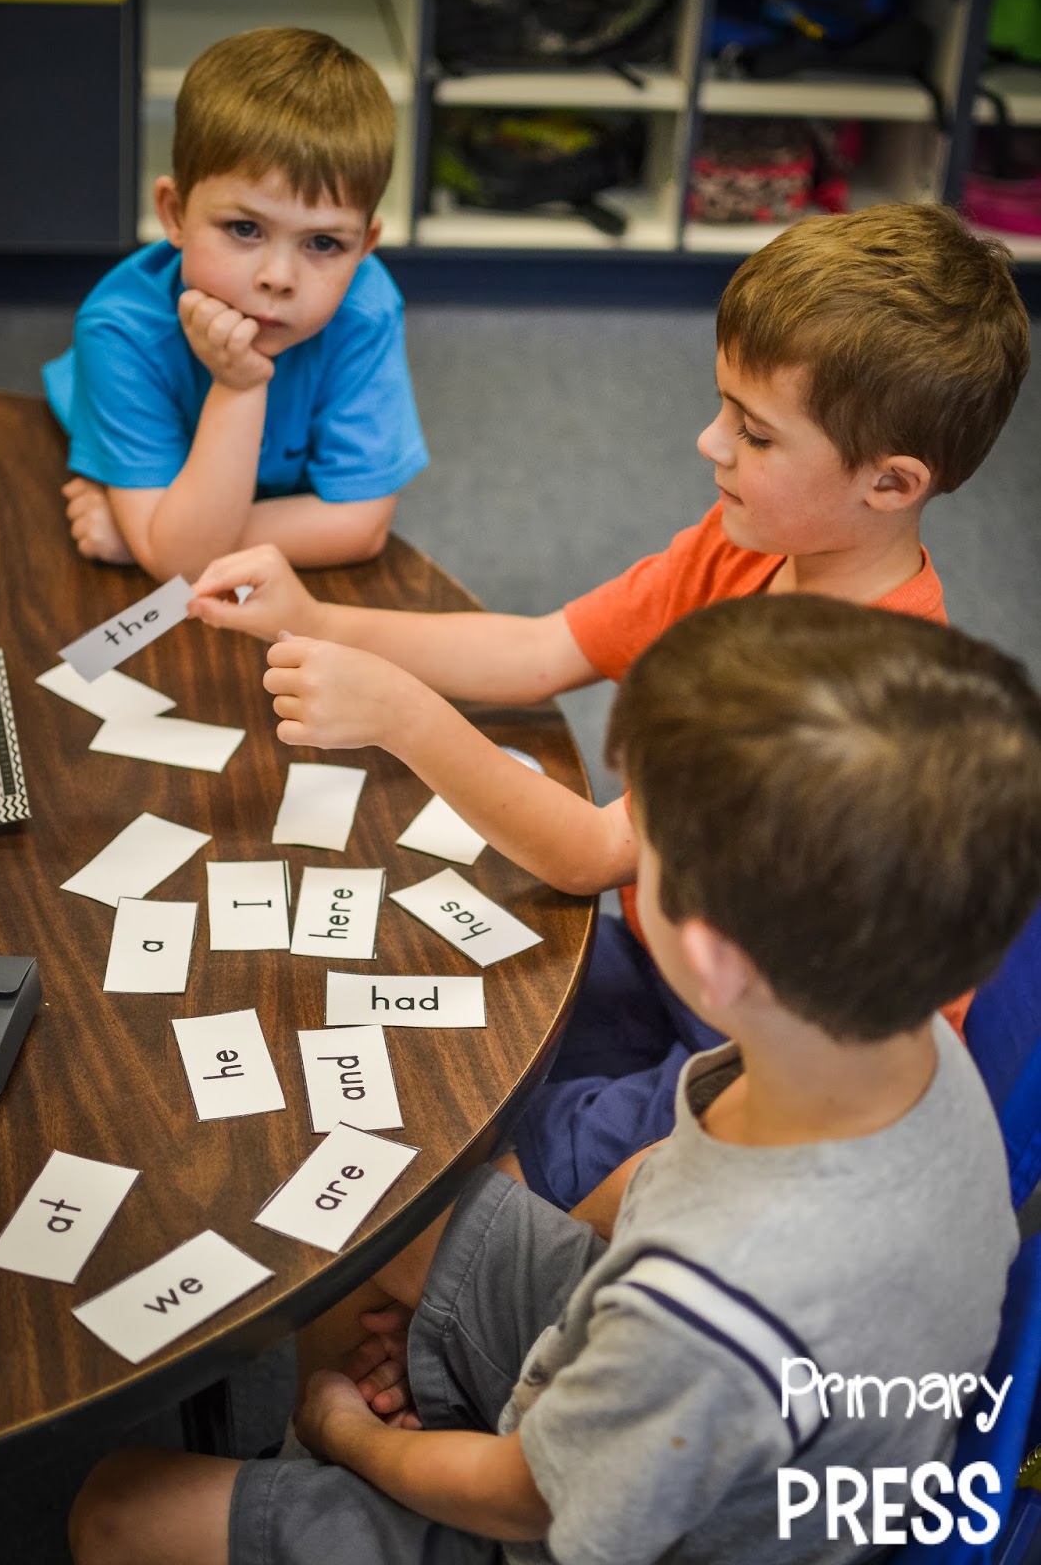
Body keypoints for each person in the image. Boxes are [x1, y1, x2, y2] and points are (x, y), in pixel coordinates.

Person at [68, 595, 1041, 1565]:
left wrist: (342, 1432)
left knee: (114, 1506)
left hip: (581, 1507)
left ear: (710, 956)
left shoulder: (702, 1318)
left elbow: (524, 1499)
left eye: (641, 840)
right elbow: (663, 1174)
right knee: (371, 1208)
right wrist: (495, 1311)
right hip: (680, 1391)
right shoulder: (884, 1031)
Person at [187, 201, 1030, 1209]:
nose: (709, 442)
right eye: (724, 406)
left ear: (890, 483)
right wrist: (320, 616)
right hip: (667, 958)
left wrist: (401, 714)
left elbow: (588, 852)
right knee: (411, 1059)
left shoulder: (850, 700)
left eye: (755, 433)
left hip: (769, 1066)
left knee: (444, 1175)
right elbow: (542, 648)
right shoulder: (750, 543)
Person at [42, 27, 428, 583]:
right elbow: (189, 559)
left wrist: (156, 535)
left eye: (324, 243)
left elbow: (363, 527)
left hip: (214, 499)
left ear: (365, 250)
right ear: (174, 214)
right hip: (128, 426)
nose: (277, 278)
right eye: (245, 228)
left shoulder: (365, 310)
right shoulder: (119, 331)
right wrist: (239, 385)